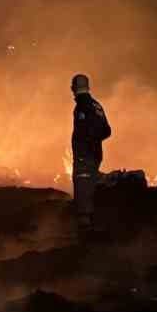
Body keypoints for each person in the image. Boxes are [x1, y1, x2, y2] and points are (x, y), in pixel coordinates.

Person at [69, 73, 110, 231]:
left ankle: (85, 230)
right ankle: (94, 222)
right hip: (95, 155)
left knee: (82, 187)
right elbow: (107, 130)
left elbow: (84, 131)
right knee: (91, 184)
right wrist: (95, 140)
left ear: (74, 88)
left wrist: (86, 142)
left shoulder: (82, 105)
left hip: (84, 157)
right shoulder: (96, 105)